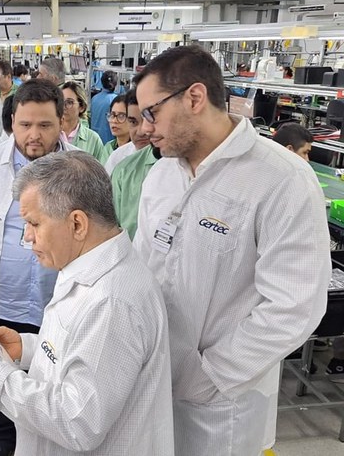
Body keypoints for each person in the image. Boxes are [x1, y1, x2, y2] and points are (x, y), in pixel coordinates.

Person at [133, 45, 330, 456]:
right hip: (153, 381)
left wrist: (212, 376)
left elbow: (295, 305)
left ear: (194, 97)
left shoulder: (280, 179)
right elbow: (142, 267)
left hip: (224, 403)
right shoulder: (162, 175)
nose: (145, 128)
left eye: (152, 112)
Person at [0, 150, 174, 456]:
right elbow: (82, 352)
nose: (27, 236)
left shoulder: (111, 302)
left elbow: (79, 422)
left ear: (77, 224)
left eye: (34, 224)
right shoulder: (86, 266)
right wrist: (27, 349)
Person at [0, 79, 76, 456]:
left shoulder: (81, 171)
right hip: (1, 309)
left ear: (62, 123)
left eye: (44, 125)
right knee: (3, 411)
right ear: (11, 123)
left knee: (54, 404)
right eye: (25, 125)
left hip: (56, 310)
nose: (34, 135)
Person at [110, 89, 158, 239]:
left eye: (148, 119)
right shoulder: (122, 170)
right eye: (133, 122)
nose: (142, 131)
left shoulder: (176, 165)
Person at [60, 81, 107, 163]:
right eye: (60, 102)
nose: (64, 107)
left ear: (81, 107)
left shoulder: (93, 139)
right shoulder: (51, 135)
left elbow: (100, 172)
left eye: (69, 102)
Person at [103, 95, 135, 175]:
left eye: (121, 116)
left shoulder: (136, 150)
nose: (114, 120)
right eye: (112, 115)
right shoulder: (108, 147)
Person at [90, 70, 118, 144]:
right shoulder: (116, 100)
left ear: (101, 82)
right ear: (115, 84)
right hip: (109, 140)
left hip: (94, 140)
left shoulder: (94, 99)